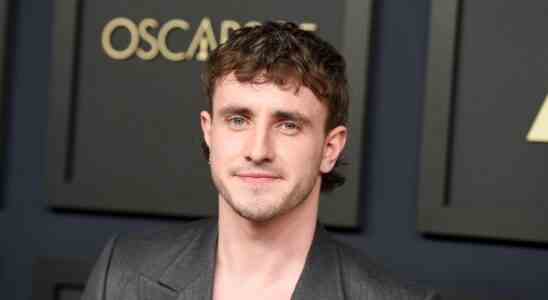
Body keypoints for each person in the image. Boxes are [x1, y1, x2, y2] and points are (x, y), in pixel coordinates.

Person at [82, 22, 440, 300]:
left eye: (288, 125)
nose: (258, 150)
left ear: (330, 149)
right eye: (238, 119)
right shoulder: (123, 272)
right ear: (209, 132)